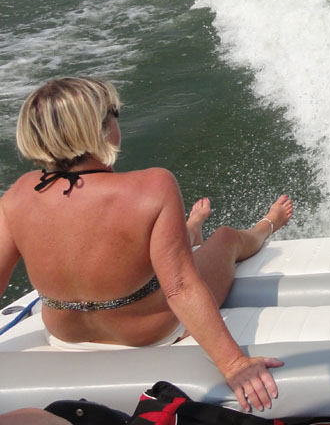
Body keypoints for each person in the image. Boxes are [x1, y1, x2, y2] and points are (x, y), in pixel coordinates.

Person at [0, 78, 293, 413]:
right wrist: (235, 364)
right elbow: (180, 288)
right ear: (101, 129)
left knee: (163, 248)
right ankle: (265, 225)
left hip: (65, 333)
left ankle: (190, 230)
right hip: (149, 332)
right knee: (226, 237)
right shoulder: (153, 186)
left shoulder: (16, 196)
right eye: (113, 114)